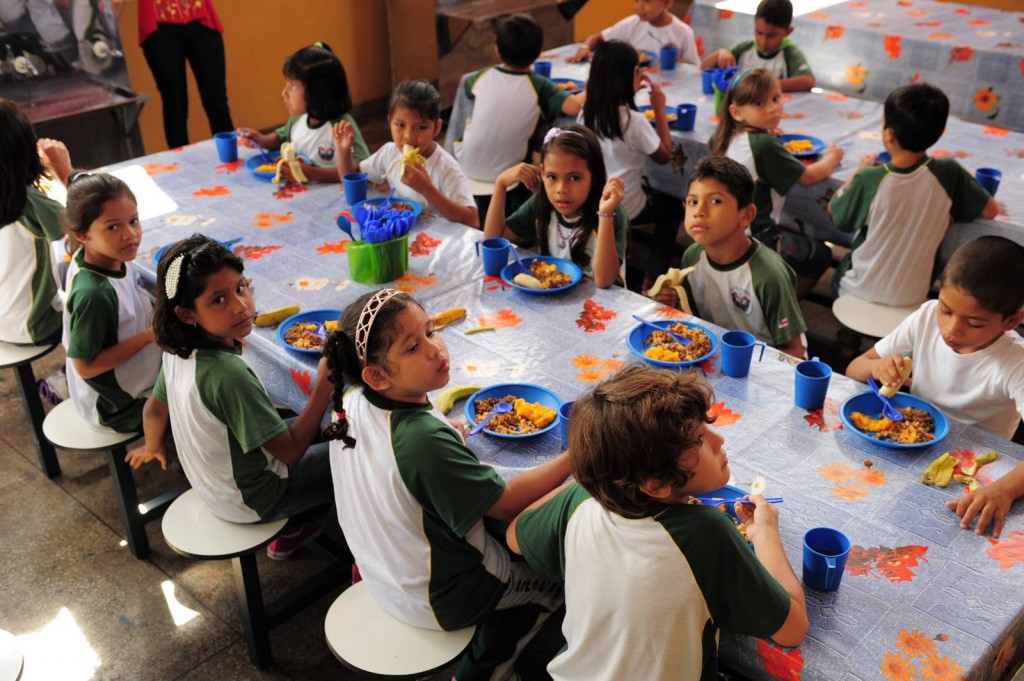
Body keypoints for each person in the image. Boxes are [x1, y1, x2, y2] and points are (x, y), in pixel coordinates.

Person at [321, 288, 567, 681]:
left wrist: (441, 428)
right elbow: (504, 504)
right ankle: (482, 670)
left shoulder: (353, 399)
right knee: (555, 579)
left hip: (380, 574)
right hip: (442, 597)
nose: (437, 349)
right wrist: (577, 455)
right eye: (414, 346)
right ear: (378, 375)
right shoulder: (421, 441)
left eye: (431, 331)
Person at [508, 364, 808, 680]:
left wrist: (587, 478)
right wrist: (765, 534)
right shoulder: (705, 532)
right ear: (653, 485)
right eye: (698, 440)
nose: (719, 440)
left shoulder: (582, 500)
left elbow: (515, 534)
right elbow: (793, 629)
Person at [126, 234, 335, 560]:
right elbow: (291, 451)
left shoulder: (177, 351)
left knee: (328, 427)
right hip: (258, 499)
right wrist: (323, 387)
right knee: (357, 456)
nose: (241, 306)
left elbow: (154, 410)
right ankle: (349, 549)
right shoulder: (227, 374)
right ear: (187, 314)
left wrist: (154, 445)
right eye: (218, 300)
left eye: (240, 287)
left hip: (215, 489)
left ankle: (301, 523)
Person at [846, 236, 1024, 536]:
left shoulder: (1015, 361)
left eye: (975, 323)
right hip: (905, 446)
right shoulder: (927, 317)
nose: (952, 329)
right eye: (946, 310)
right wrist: (876, 367)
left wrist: (1003, 490)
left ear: (1010, 321)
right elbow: (854, 368)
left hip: (972, 473)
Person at [829, 83, 998, 307]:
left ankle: (847, 340)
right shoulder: (948, 172)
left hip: (857, 290)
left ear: (889, 135)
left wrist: (860, 171)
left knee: (835, 278)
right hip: (912, 297)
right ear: (939, 133)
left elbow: (836, 212)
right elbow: (991, 210)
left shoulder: (871, 178)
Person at [651, 156, 806, 357]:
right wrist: (670, 302)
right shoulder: (692, 257)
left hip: (761, 363)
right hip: (711, 353)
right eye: (692, 201)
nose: (699, 211)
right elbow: (692, 319)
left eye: (715, 201)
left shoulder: (768, 275)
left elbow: (793, 349)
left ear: (746, 215)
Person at [712, 66, 842, 298]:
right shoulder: (763, 145)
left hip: (723, 232)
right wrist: (832, 158)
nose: (773, 108)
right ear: (737, 112)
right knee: (820, 255)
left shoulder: (723, 135)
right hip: (755, 238)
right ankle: (784, 308)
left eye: (776, 98)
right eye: (760, 104)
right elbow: (808, 177)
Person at [580, 39, 684, 294]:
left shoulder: (586, 114)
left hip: (593, 201)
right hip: (625, 206)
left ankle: (629, 248)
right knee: (671, 209)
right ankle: (653, 279)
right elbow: (664, 155)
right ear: (630, 76)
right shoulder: (633, 120)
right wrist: (659, 108)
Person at [61, 172, 160, 434]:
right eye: (113, 227)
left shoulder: (110, 255)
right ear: (81, 234)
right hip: (117, 405)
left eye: (133, 221)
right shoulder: (94, 293)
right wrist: (150, 337)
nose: (130, 234)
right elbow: (85, 365)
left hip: (137, 375)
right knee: (208, 389)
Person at [484, 124, 627, 289]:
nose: (561, 190)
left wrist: (605, 215)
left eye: (574, 178)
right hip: (553, 303)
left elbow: (604, 281)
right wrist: (500, 184)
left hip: (602, 307)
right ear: (542, 173)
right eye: (552, 177)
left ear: (593, 176)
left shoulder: (610, 213)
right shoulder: (542, 203)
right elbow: (493, 241)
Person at [454, 13, 583, 190]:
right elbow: (575, 107)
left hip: (465, 166)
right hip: (513, 174)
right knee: (556, 123)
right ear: (539, 53)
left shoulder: (480, 76)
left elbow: (466, 86)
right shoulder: (539, 84)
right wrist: (590, 89)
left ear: (497, 49)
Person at [334, 80, 478, 228]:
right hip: (400, 231)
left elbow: (472, 220)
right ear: (390, 121)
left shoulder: (447, 168)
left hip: (437, 240)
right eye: (400, 125)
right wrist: (344, 152)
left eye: (421, 127)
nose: (408, 136)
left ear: (436, 128)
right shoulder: (389, 153)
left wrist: (427, 189)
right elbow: (353, 177)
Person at [238, 42, 367, 183]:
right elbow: (281, 138)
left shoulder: (342, 127)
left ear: (317, 93)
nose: (284, 93)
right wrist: (262, 140)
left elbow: (360, 170)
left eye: (292, 87)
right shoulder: (298, 119)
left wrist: (314, 174)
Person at [0, 98, 73, 345]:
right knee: (102, 295)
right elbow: (86, 225)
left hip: (4, 320)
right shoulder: (28, 202)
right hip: (35, 324)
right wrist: (64, 171)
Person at [138, 0, 234, 149]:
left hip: (200, 16)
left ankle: (231, 159)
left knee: (216, 98)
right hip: (159, 21)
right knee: (174, 102)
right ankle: (180, 167)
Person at [701, 0, 814, 92]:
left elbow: (808, 81)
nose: (763, 41)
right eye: (759, 33)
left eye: (771, 36)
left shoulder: (789, 52)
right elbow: (703, 68)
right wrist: (721, 53)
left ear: (788, 32)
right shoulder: (746, 47)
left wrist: (765, 85)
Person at [567, 0, 699, 66]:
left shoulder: (683, 32)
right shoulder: (632, 24)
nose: (639, 7)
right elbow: (597, 38)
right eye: (636, 0)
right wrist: (585, 47)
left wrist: (678, 62)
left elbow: (694, 70)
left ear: (667, 2)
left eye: (647, 0)